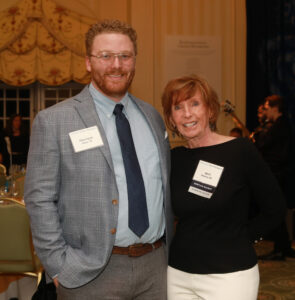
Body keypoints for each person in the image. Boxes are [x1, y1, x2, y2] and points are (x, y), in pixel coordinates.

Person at [24, 19, 173, 299]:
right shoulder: (55, 121)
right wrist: (59, 268)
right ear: (89, 62)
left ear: (134, 61)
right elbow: (39, 198)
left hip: (156, 268)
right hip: (89, 274)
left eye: (124, 56)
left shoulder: (152, 117)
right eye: (105, 56)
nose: (116, 65)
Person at [161, 75, 286, 300]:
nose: (187, 113)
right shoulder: (173, 159)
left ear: (210, 110)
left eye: (195, 104)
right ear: (171, 118)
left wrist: (241, 238)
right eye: (178, 107)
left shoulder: (240, 151)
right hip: (178, 274)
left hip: (230, 277)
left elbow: (275, 208)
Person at [256, 95, 295, 260]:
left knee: (275, 211)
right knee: (276, 211)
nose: (265, 111)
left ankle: (281, 248)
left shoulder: (280, 127)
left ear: (275, 108)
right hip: (276, 174)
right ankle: (283, 247)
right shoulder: (279, 125)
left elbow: (265, 146)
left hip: (277, 175)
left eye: (267, 108)